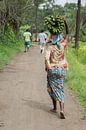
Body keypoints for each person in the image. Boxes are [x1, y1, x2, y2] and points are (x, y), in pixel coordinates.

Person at [45, 33, 68, 119]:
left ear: (52, 37)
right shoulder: (62, 46)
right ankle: (61, 110)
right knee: (60, 89)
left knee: (51, 88)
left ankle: (55, 108)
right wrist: (65, 23)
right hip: (62, 70)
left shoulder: (50, 47)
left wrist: (49, 68)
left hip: (53, 69)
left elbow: (47, 59)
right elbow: (67, 35)